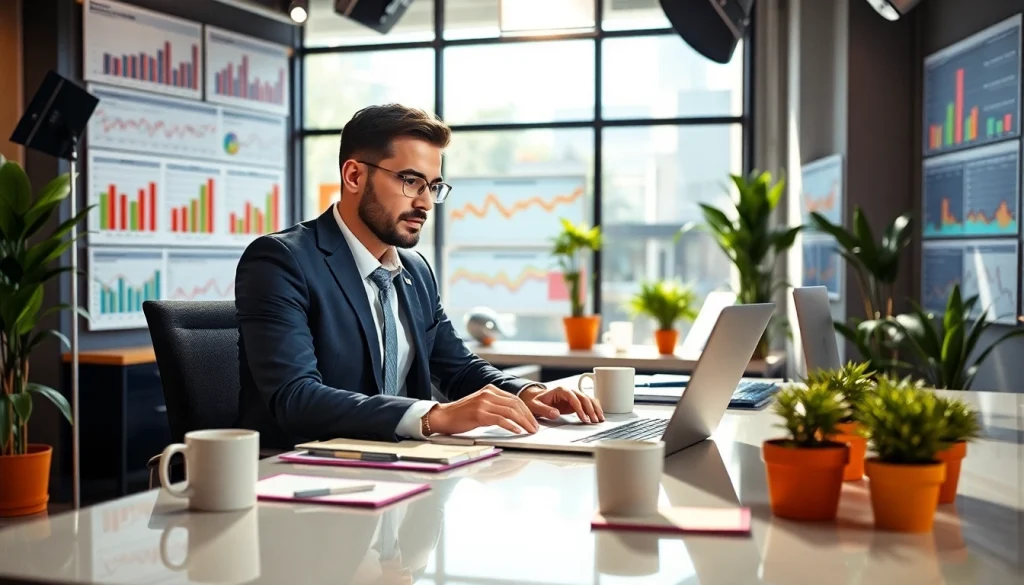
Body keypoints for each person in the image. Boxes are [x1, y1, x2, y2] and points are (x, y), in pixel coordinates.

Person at [235, 103, 604, 449]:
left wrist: (527, 393)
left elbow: (458, 368)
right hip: (303, 475)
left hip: (400, 468)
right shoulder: (282, 261)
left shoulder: (415, 271)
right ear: (353, 176)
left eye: (433, 186)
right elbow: (296, 397)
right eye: (411, 182)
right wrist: (432, 415)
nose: (425, 202)